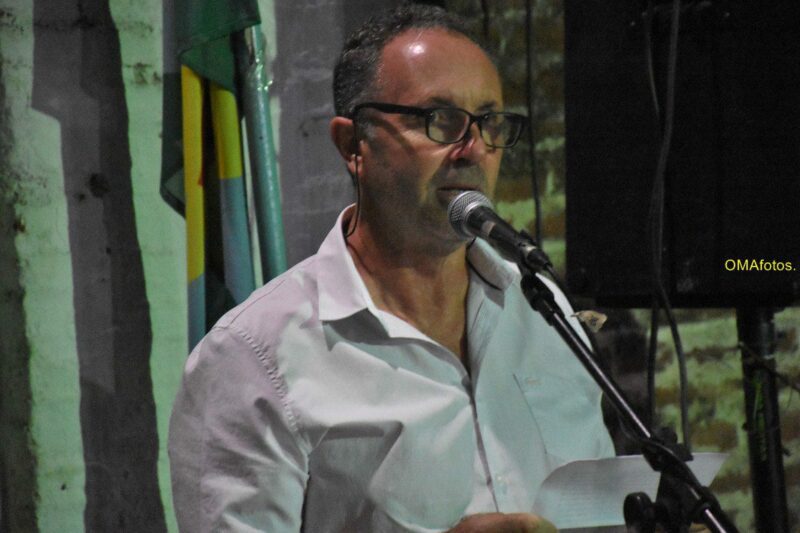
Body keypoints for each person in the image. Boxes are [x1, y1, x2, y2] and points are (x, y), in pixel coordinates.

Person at [168, 4, 614, 532]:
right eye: (439, 120)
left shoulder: (542, 309)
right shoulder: (252, 356)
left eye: (489, 122)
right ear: (353, 144)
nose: (473, 150)